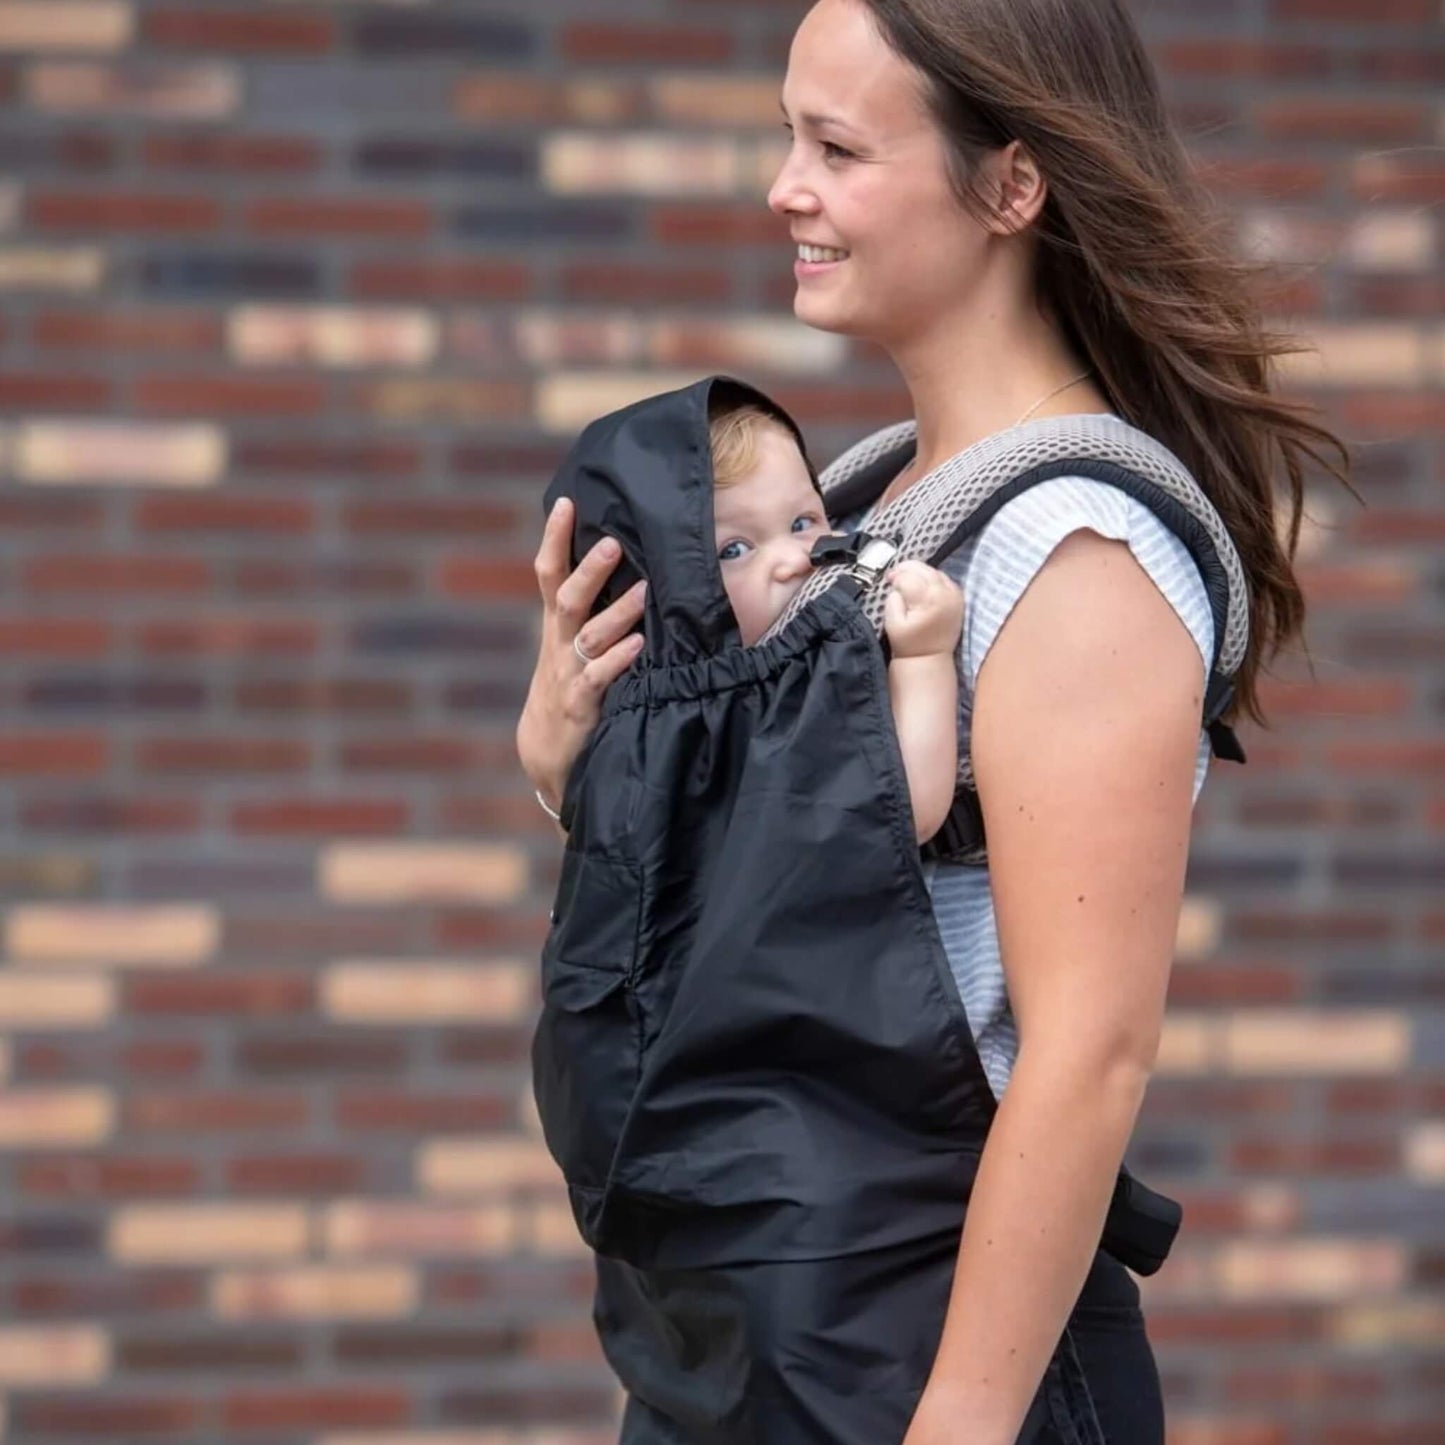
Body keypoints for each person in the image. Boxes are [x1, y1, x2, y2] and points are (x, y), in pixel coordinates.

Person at [517, 1, 1349, 1440]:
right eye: (788, 137)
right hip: (765, 1325)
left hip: (937, 1349)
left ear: (1011, 187)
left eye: (836, 146)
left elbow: (1088, 1051)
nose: (785, 186)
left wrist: (957, 1422)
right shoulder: (850, 514)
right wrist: (563, 755)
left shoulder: (1075, 546)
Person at [711, 391, 965, 839]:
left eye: (802, 523)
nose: (795, 559)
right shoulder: (750, 703)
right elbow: (902, 812)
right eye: (735, 549)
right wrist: (923, 658)